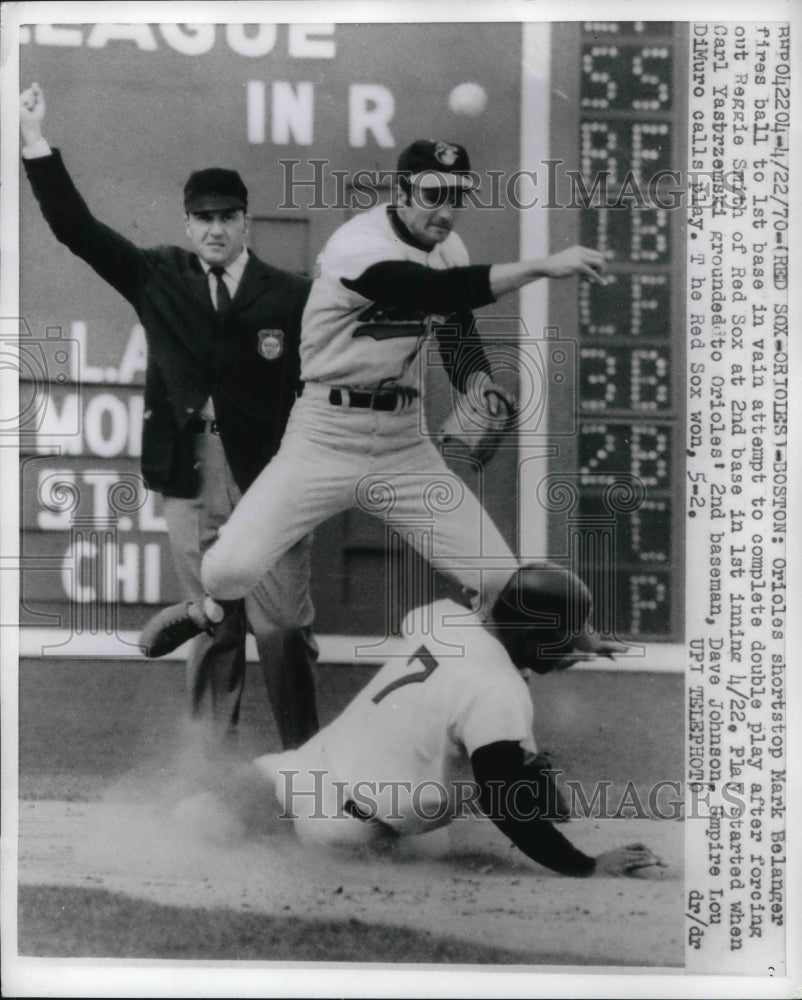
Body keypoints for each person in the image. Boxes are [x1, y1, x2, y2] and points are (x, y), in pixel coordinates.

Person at [141, 138, 608, 656]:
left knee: (501, 579)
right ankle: (202, 612)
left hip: (403, 445)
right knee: (228, 571)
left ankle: (497, 717)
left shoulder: (448, 248)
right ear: (401, 191)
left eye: (458, 196)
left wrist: (475, 380)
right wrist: (542, 266)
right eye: (433, 194)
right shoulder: (357, 245)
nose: (446, 210)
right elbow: (429, 292)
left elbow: (455, 327)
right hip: (324, 435)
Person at [20, 82, 319, 748]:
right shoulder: (159, 276)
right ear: (188, 224)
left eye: (228, 216)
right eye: (203, 217)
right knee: (217, 627)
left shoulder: (292, 296)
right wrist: (36, 143)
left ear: (247, 222)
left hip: (270, 482)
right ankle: (210, 783)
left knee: (283, 629)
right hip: (191, 476)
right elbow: (76, 230)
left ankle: (312, 771)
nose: (215, 227)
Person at [252, 564, 663, 878]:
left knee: (216, 802)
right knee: (494, 779)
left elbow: (499, 634)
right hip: (347, 833)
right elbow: (506, 805)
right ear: (533, 636)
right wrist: (586, 865)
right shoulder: (498, 690)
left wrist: (563, 639)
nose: (574, 649)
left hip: (304, 767)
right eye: (567, 638)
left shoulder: (441, 618)